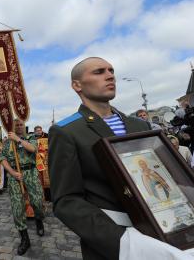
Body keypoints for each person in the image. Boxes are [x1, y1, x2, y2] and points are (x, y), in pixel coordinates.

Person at [49, 57, 151, 260]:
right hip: (114, 243)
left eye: (111, 70)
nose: (110, 75)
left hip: (160, 231)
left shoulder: (140, 125)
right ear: (77, 85)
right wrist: (123, 242)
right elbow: (66, 201)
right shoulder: (67, 131)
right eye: (99, 72)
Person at [0, 119, 45, 256]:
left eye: (21, 125)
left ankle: (38, 219)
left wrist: (18, 139)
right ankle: (25, 238)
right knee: (17, 207)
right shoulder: (7, 142)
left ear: (24, 126)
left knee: (37, 202)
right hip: (15, 176)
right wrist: (13, 173)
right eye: (16, 125)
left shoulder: (30, 137)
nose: (19, 127)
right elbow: (3, 159)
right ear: (13, 126)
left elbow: (33, 149)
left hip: (30, 172)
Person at [34, 125, 50, 201]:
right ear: (35, 131)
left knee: (48, 179)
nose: (39, 132)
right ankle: (41, 196)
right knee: (39, 179)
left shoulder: (47, 136)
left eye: (40, 130)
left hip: (46, 161)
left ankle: (49, 196)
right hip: (37, 161)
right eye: (37, 131)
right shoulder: (32, 138)